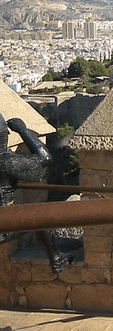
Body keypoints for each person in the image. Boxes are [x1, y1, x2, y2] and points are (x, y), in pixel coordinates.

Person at [0, 114, 73, 272]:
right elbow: (45, 159)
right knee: (40, 216)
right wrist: (23, 131)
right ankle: (56, 258)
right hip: (4, 225)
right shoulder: (7, 162)